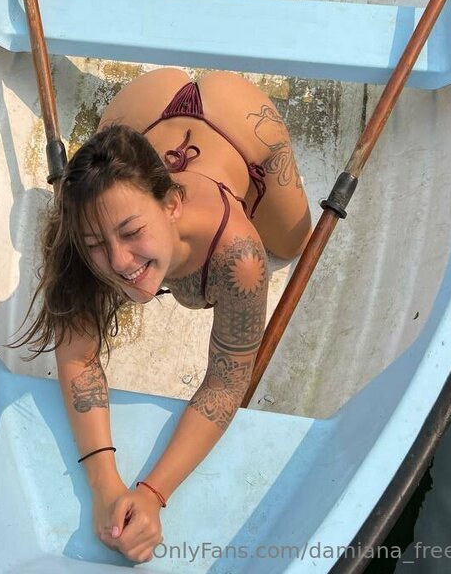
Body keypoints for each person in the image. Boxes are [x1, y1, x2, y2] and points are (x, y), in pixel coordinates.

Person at [22, 67, 311, 564]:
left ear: (173, 204)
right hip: (142, 109)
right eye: (97, 243)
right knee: (106, 214)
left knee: (291, 242)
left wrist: (154, 493)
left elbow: (225, 384)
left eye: (132, 232)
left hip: (241, 122)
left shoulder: (239, 259)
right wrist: (106, 486)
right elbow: (76, 353)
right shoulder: (86, 223)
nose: (118, 261)